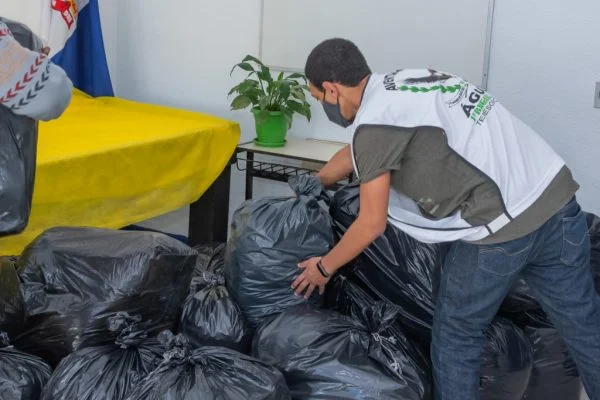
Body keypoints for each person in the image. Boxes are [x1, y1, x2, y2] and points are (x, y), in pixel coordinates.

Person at [291, 38, 600, 399]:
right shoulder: (405, 83)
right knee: (584, 325)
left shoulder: (375, 124)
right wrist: (319, 181)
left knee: (457, 335)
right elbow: (358, 151)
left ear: (331, 89)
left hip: (502, 228)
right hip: (556, 201)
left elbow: (371, 223)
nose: (323, 105)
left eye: (318, 97)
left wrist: (323, 268)